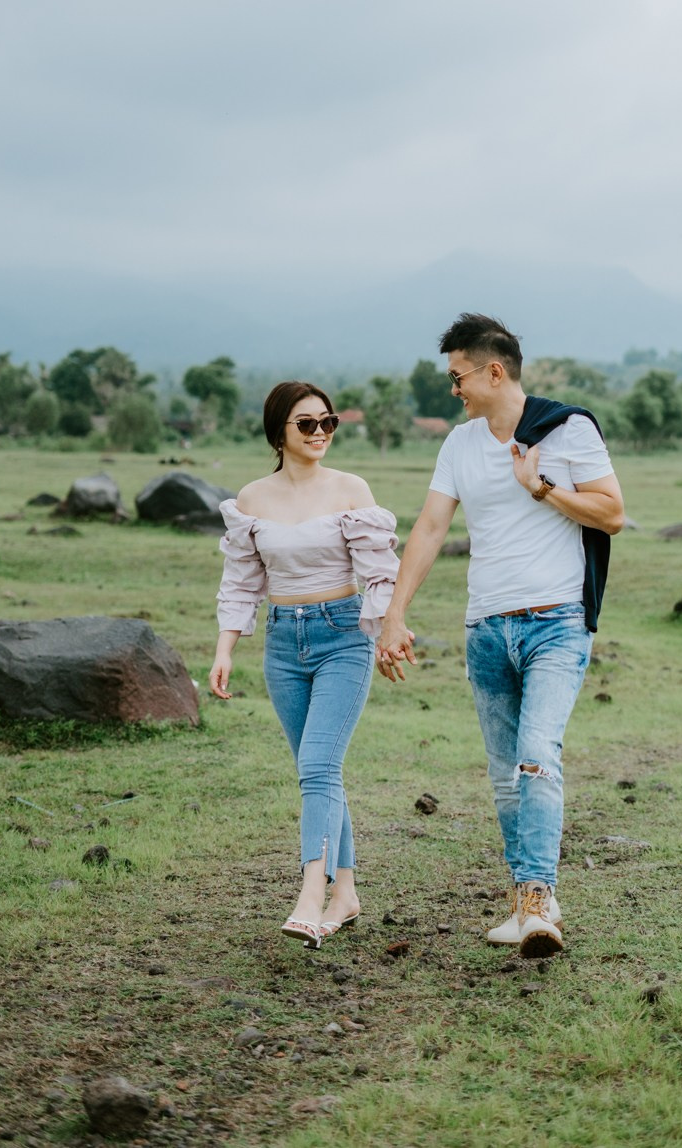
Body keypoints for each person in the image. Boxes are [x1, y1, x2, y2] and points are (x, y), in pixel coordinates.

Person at [376, 314, 625, 958]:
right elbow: (431, 528)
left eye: (457, 376)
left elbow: (612, 513)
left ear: (493, 371)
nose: (452, 388)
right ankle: (524, 900)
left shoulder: (567, 429)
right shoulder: (459, 445)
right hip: (485, 629)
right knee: (505, 775)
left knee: (537, 754)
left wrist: (541, 488)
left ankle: (539, 899)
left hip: (555, 623)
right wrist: (395, 614)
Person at [209, 380, 410, 949]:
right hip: (282, 644)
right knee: (318, 771)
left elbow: (380, 572)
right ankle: (345, 894)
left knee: (318, 767)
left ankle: (310, 896)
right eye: (307, 424)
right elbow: (241, 581)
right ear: (279, 432)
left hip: (342, 637)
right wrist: (225, 649)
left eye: (328, 422)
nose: (320, 432)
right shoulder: (252, 499)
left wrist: (387, 630)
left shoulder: (350, 489)